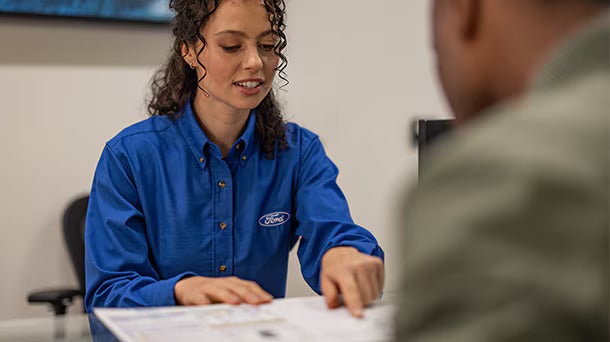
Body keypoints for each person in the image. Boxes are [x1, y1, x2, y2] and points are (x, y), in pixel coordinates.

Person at [84, 0, 384, 318]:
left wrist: (344, 254)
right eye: (231, 46)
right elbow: (108, 293)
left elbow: (333, 229)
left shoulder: (298, 151)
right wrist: (181, 290)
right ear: (188, 50)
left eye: (267, 45)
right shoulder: (129, 157)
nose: (255, 61)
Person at [396, 0, 608, 341]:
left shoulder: (504, 172)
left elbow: (335, 226)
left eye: (435, 48)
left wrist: (345, 249)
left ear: (464, 10)